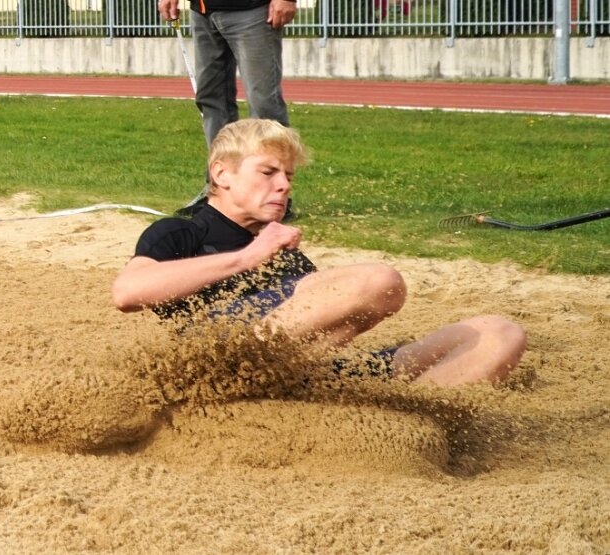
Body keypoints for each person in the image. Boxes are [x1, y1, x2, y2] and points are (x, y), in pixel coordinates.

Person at [112, 119, 527, 387]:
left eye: (288, 176)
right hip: (218, 369)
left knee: (499, 333)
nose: (284, 185)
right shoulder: (181, 232)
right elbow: (128, 293)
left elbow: (330, 333)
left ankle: (413, 410)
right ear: (222, 173)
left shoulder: (288, 254)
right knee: (379, 280)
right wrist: (247, 258)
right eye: (268, 172)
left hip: (305, 374)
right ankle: (246, 373)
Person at [158, 0, 296, 219]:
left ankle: (275, 195)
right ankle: (218, 193)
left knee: (264, 107)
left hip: (252, 11)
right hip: (203, 11)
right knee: (211, 99)